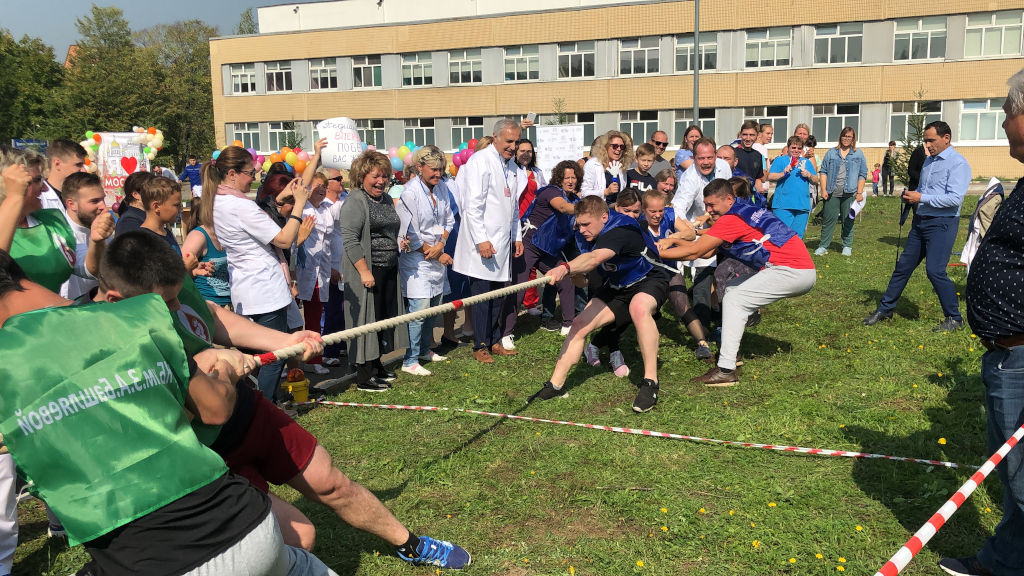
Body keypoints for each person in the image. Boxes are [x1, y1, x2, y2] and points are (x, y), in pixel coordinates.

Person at [96, 232, 471, 570]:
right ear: (115, 300)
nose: (177, 308)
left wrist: (283, 341)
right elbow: (205, 405)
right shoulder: (101, 348)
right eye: (166, 304)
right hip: (205, 456)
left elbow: (210, 314)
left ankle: (411, 544)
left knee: (332, 483)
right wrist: (220, 364)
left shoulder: (167, 288)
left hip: (249, 412)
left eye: (179, 296)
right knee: (299, 538)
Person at [0, 250, 338, 576]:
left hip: (149, 560)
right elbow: (216, 406)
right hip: (249, 527)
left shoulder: (15, 363)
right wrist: (224, 369)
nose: (174, 308)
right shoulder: (135, 318)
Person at [943, 71, 1024, 576]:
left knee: (1021, 476)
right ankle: (1006, 562)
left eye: (1008, 113)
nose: (1003, 125)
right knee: (1011, 471)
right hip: (1006, 354)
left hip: (1020, 356)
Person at [659, 179, 816, 386]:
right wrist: (674, 241)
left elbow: (696, 251)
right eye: (706, 205)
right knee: (733, 288)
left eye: (712, 205)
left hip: (792, 271)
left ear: (729, 199)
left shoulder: (731, 220)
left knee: (735, 299)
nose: (708, 210)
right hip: (798, 269)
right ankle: (731, 354)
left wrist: (657, 252)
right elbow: (707, 249)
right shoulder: (743, 210)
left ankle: (725, 370)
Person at [535, 196, 672, 412]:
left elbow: (597, 257)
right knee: (579, 324)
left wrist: (565, 267)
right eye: (579, 224)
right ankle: (555, 384)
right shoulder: (586, 236)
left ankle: (650, 383)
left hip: (649, 278)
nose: (581, 230)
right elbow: (585, 279)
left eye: (586, 224)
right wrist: (574, 275)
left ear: (604, 217)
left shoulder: (620, 230)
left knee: (638, 308)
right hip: (618, 285)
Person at [211, 146, 310, 402]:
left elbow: (258, 221)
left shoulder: (219, 200)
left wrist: (282, 198)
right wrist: (298, 204)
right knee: (275, 355)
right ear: (232, 174)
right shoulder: (240, 207)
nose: (253, 178)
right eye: (249, 173)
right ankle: (266, 408)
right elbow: (285, 239)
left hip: (246, 287)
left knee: (251, 357)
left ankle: (250, 402)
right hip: (264, 289)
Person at [863, 120, 970, 332]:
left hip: (942, 224)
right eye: (925, 141)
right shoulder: (929, 162)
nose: (927, 145)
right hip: (921, 222)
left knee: (935, 271)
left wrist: (921, 197)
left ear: (946, 138)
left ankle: (955, 318)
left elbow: (955, 199)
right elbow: (922, 189)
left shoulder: (958, 163)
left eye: (931, 140)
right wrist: (911, 198)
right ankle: (885, 309)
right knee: (902, 267)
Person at [451, 119, 523, 362]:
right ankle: (479, 345)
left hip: (503, 242)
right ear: (495, 138)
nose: (512, 147)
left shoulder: (511, 166)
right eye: (508, 141)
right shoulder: (480, 161)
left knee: (498, 294)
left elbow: (513, 207)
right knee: (482, 296)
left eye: (516, 142)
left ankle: (493, 341)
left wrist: (517, 236)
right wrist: (481, 240)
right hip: (481, 242)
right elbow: (472, 206)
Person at [339, 150, 410, 390]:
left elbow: (389, 229)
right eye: (376, 176)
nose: (381, 181)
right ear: (361, 177)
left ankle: (377, 365)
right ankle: (363, 375)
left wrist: (398, 243)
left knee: (381, 320)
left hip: (388, 267)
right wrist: (364, 271)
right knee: (365, 322)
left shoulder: (387, 199)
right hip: (367, 270)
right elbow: (350, 240)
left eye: (384, 176)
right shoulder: (355, 200)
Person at [0, 147, 112, 294]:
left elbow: (88, 269)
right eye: (37, 180)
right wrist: (14, 198)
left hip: (53, 313)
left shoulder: (52, 221)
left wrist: (96, 242)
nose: (45, 190)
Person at [396, 146, 455, 376]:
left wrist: (440, 246)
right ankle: (409, 359)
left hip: (437, 255)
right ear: (419, 168)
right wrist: (436, 252)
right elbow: (409, 232)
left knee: (434, 307)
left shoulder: (442, 188)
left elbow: (449, 220)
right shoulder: (409, 192)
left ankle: (423, 350)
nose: (438, 174)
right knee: (419, 311)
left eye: (440, 169)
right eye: (433, 170)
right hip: (416, 261)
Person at [512, 159, 583, 336]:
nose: (570, 180)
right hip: (529, 243)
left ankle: (568, 324)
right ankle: (506, 332)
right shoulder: (551, 191)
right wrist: (587, 207)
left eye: (574, 177)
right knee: (518, 287)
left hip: (547, 249)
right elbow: (563, 208)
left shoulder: (575, 199)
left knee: (564, 279)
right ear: (559, 179)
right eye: (566, 177)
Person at [639, 190, 710, 359]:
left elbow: (691, 234)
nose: (657, 215)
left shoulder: (669, 216)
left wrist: (673, 237)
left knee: (682, 304)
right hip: (648, 274)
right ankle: (648, 349)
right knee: (646, 310)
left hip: (670, 269)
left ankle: (702, 343)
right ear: (643, 210)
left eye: (660, 210)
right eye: (653, 211)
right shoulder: (638, 223)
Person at [671, 138, 731, 333]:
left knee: (728, 273)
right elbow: (677, 208)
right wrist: (687, 229)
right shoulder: (690, 178)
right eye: (701, 158)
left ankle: (726, 320)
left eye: (710, 157)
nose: (706, 162)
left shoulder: (723, 167)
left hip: (726, 226)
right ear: (694, 158)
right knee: (704, 275)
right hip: (697, 227)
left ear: (715, 156)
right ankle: (702, 326)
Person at [294, 173, 338, 375]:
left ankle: (316, 358)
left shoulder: (328, 208)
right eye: (318, 185)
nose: (322, 189)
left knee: (316, 314)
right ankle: (300, 361)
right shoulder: (302, 209)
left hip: (323, 269)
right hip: (304, 269)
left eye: (324, 186)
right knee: (298, 318)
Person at [815, 127, 868, 257]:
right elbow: (823, 172)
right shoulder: (831, 153)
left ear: (853, 139)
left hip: (850, 194)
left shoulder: (858, 154)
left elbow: (863, 174)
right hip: (832, 192)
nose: (846, 139)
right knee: (828, 220)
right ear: (840, 137)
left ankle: (847, 246)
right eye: (844, 136)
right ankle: (823, 246)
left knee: (848, 220)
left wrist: (860, 193)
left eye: (849, 137)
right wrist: (823, 190)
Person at [181, 179, 232, 308]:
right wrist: (195, 269)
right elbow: (180, 268)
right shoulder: (198, 236)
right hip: (206, 304)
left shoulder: (224, 232)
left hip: (228, 303)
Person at [59, 172, 107, 300]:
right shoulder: (60, 233)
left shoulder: (103, 226)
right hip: (70, 310)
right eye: (95, 201)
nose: (103, 206)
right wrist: (98, 241)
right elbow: (90, 269)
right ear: (71, 204)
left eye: (103, 199)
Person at [767, 136, 819, 238]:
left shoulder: (806, 162)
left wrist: (809, 175)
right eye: (793, 147)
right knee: (781, 235)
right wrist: (783, 173)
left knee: (798, 236)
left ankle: (795, 254)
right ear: (788, 147)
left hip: (802, 205)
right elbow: (770, 176)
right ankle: (780, 254)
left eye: (799, 148)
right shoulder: (780, 160)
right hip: (783, 205)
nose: (796, 150)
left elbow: (816, 180)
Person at [960, 177, 1005, 273]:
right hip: (978, 230)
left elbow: (985, 212)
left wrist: (986, 232)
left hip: (982, 231)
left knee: (976, 256)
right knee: (973, 256)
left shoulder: (995, 197)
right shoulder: (994, 196)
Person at [581, 130, 634, 205]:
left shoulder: (622, 166)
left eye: (622, 147)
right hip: (597, 209)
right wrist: (606, 192)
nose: (619, 149)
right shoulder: (593, 164)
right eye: (615, 146)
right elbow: (584, 193)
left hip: (617, 211)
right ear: (605, 146)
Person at [39, 139, 87, 213]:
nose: (84, 170)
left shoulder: (80, 194)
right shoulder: (39, 199)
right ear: (57, 164)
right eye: (78, 165)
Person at [113, 171, 154, 236]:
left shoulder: (141, 216)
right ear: (136, 194)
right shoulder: (129, 222)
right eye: (153, 191)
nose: (157, 195)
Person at [733, 120, 767, 192]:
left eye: (752, 135)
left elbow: (759, 178)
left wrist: (758, 188)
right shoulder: (732, 153)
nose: (748, 138)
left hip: (750, 197)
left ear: (757, 136)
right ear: (741, 135)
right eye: (745, 134)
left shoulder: (758, 156)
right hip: (734, 196)